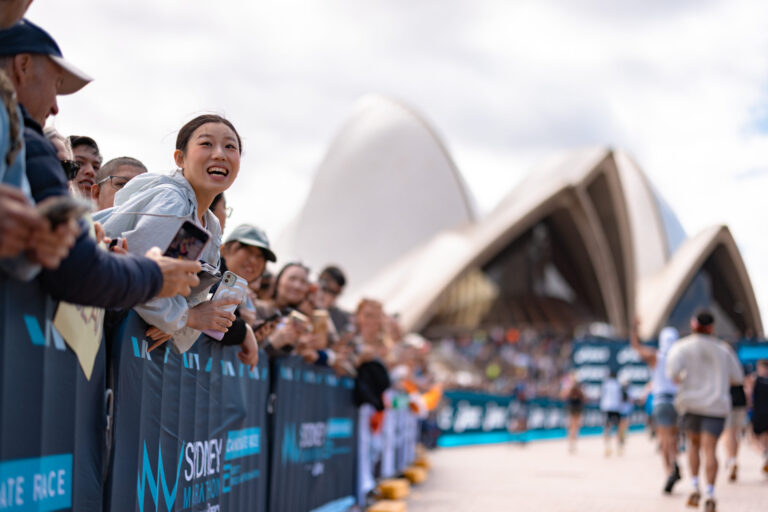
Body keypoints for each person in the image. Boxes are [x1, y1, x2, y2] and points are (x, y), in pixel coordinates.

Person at [1, 19, 200, 303]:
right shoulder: (28, 143)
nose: (56, 106)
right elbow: (76, 272)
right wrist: (154, 274)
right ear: (23, 66)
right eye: (56, 84)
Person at [103, 114, 243, 353]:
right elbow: (137, 275)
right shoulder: (173, 201)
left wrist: (174, 319)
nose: (220, 154)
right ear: (180, 158)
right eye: (206, 143)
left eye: (230, 146)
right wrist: (185, 317)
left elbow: (176, 289)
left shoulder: (208, 222)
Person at [666, 311, 744, 512]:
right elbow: (738, 378)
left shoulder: (681, 347)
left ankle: (694, 486)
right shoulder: (723, 349)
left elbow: (672, 374)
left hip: (690, 404)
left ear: (693, 325)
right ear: (712, 327)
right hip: (716, 406)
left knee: (693, 446)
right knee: (711, 449)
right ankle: (710, 492)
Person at [631, 322, 682, 493]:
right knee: (674, 437)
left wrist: (634, 329)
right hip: (677, 401)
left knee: (664, 439)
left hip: (661, 401)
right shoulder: (679, 358)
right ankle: (675, 460)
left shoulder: (656, 356)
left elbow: (636, 347)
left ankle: (669, 470)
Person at [744, 359, 768, 474]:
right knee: (765, 437)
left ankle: (764, 453)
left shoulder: (754, 380)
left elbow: (748, 394)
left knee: (754, 438)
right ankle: (766, 453)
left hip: (758, 413)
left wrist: (747, 407)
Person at [315, 265, 352, 333]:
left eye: (331, 292)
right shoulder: (304, 306)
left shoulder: (344, 318)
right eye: (323, 288)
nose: (323, 294)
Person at [600, 369, 624, 456]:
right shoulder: (618, 385)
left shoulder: (606, 384)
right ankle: (619, 447)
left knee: (607, 428)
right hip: (616, 407)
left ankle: (607, 447)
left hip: (607, 407)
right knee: (618, 428)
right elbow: (620, 397)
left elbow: (602, 395)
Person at [561, 371, 585, 454]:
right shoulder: (570, 387)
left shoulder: (580, 387)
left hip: (577, 407)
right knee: (572, 425)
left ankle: (573, 442)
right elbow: (563, 395)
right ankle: (571, 442)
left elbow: (583, 398)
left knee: (576, 425)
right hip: (572, 407)